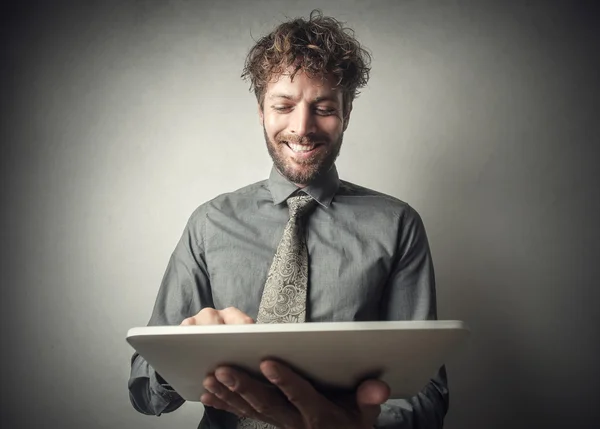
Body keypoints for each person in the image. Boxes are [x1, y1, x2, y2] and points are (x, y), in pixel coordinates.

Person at [128, 9, 449, 429]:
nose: (303, 127)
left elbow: (425, 393)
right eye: (284, 105)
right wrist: (183, 352)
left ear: (346, 113)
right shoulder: (209, 224)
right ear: (261, 111)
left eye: (324, 107)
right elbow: (145, 395)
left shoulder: (398, 224)